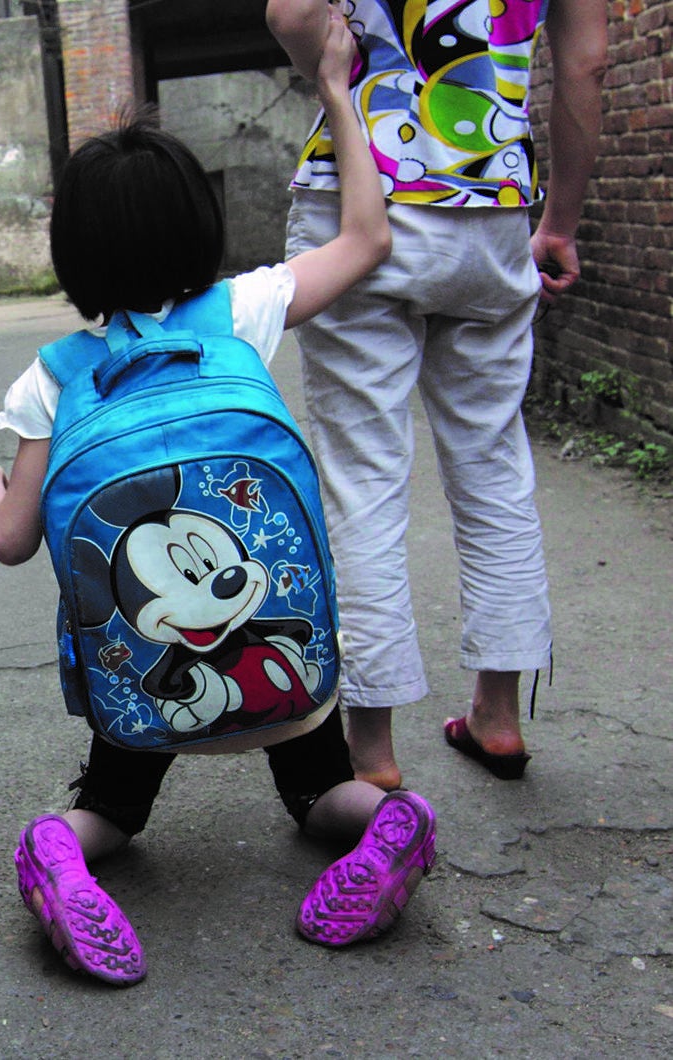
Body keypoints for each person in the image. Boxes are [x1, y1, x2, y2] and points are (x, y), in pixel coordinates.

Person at [0, 12, 430, 985]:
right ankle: (391, 821)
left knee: (111, 816)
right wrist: (336, 91)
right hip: (289, 681)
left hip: (144, 692)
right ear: (200, 224)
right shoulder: (243, 314)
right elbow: (367, 235)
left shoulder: (52, 378)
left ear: (72, 255)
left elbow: (10, 538)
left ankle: (60, 848)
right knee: (321, 793)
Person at [265, 0, 609, 788]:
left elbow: (291, 12)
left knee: (364, 477)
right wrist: (559, 219)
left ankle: (373, 753)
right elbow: (587, 64)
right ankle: (498, 715)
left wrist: (326, 68)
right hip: (492, 209)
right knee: (493, 465)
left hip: (360, 199)